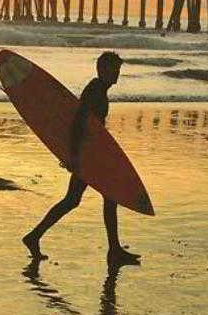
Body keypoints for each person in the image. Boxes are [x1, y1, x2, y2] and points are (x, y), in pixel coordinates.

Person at [22, 52, 140, 265]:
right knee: (93, 198)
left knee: (76, 200)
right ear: (103, 70)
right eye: (114, 70)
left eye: (118, 71)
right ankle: (112, 251)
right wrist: (74, 156)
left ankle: (34, 236)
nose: (117, 75)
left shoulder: (99, 90)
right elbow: (78, 123)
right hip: (86, 155)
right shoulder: (95, 91)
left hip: (90, 153)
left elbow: (92, 126)